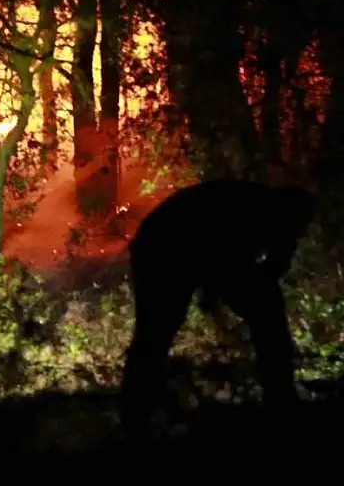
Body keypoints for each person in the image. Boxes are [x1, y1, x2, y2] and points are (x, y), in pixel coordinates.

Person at [119, 179, 315, 435]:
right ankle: (135, 419)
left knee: (267, 312)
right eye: (293, 230)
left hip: (173, 241)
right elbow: (223, 260)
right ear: (281, 216)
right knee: (155, 334)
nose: (293, 238)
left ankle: (281, 403)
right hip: (164, 247)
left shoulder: (270, 218)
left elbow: (262, 273)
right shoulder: (245, 213)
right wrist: (218, 293)